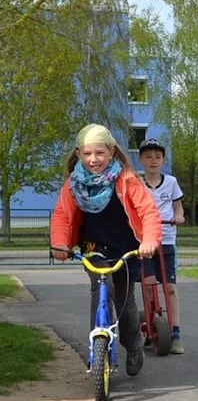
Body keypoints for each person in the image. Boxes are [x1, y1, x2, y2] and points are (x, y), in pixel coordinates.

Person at [50, 123, 162, 376]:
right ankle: (97, 349)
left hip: (126, 249)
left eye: (99, 153)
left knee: (124, 300)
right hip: (94, 247)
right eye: (88, 153)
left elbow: (148, 211)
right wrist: (60, 243)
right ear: (79, 154)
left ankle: (133, 346)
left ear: (111, 151)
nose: (94, 159)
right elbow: (61, 216)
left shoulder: (126, 179)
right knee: (101, 287)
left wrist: (150, 240)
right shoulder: (74, 183)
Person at [137, 138, 186, 354]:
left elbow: (178, 208)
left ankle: (175, 332)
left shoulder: (171, 182)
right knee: (148, 284)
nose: (153, 161)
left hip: (166, 238)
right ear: (141, 160)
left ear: (163, 160)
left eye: (157, 157)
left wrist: (178, 217)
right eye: (148, 157)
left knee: (170, 288)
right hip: (146, 240)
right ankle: (149, 322)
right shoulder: (136, 184)